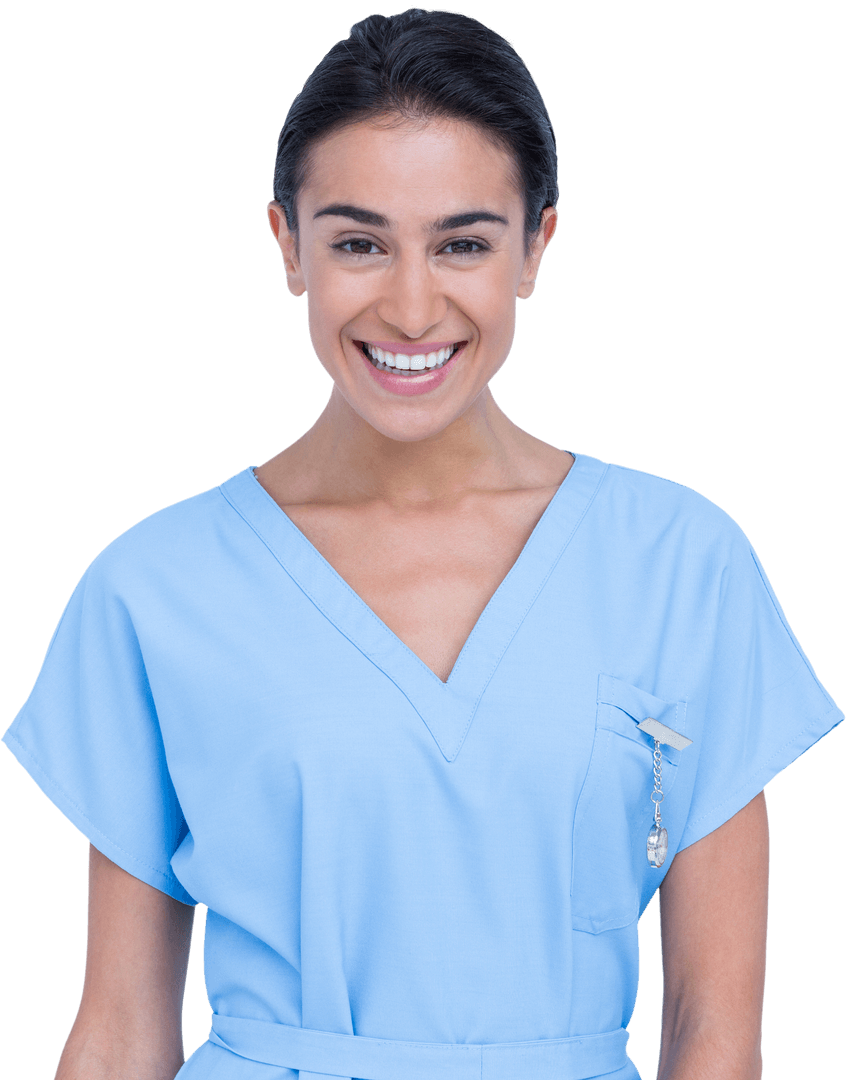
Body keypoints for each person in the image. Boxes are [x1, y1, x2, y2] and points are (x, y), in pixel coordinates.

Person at [2, 8, 842, 1080]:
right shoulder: (154, 588)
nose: (410, 306)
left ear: (535, 247)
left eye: (463, 244)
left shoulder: (682, 563)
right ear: (288, 246)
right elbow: (120, 1029)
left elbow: (714, 1031)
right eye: (359, 243)